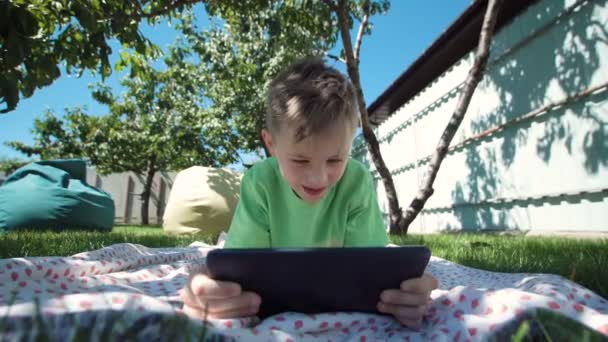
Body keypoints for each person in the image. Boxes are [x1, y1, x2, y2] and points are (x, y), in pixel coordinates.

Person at [181, 57, 437, 328]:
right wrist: (207, 286)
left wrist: (404, 294)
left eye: (336, 160)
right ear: (271, 144)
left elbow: (371, 269)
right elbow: (238, 270)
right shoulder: (259, 181)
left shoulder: (357, 180)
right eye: (300, 161)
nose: (318, 177)